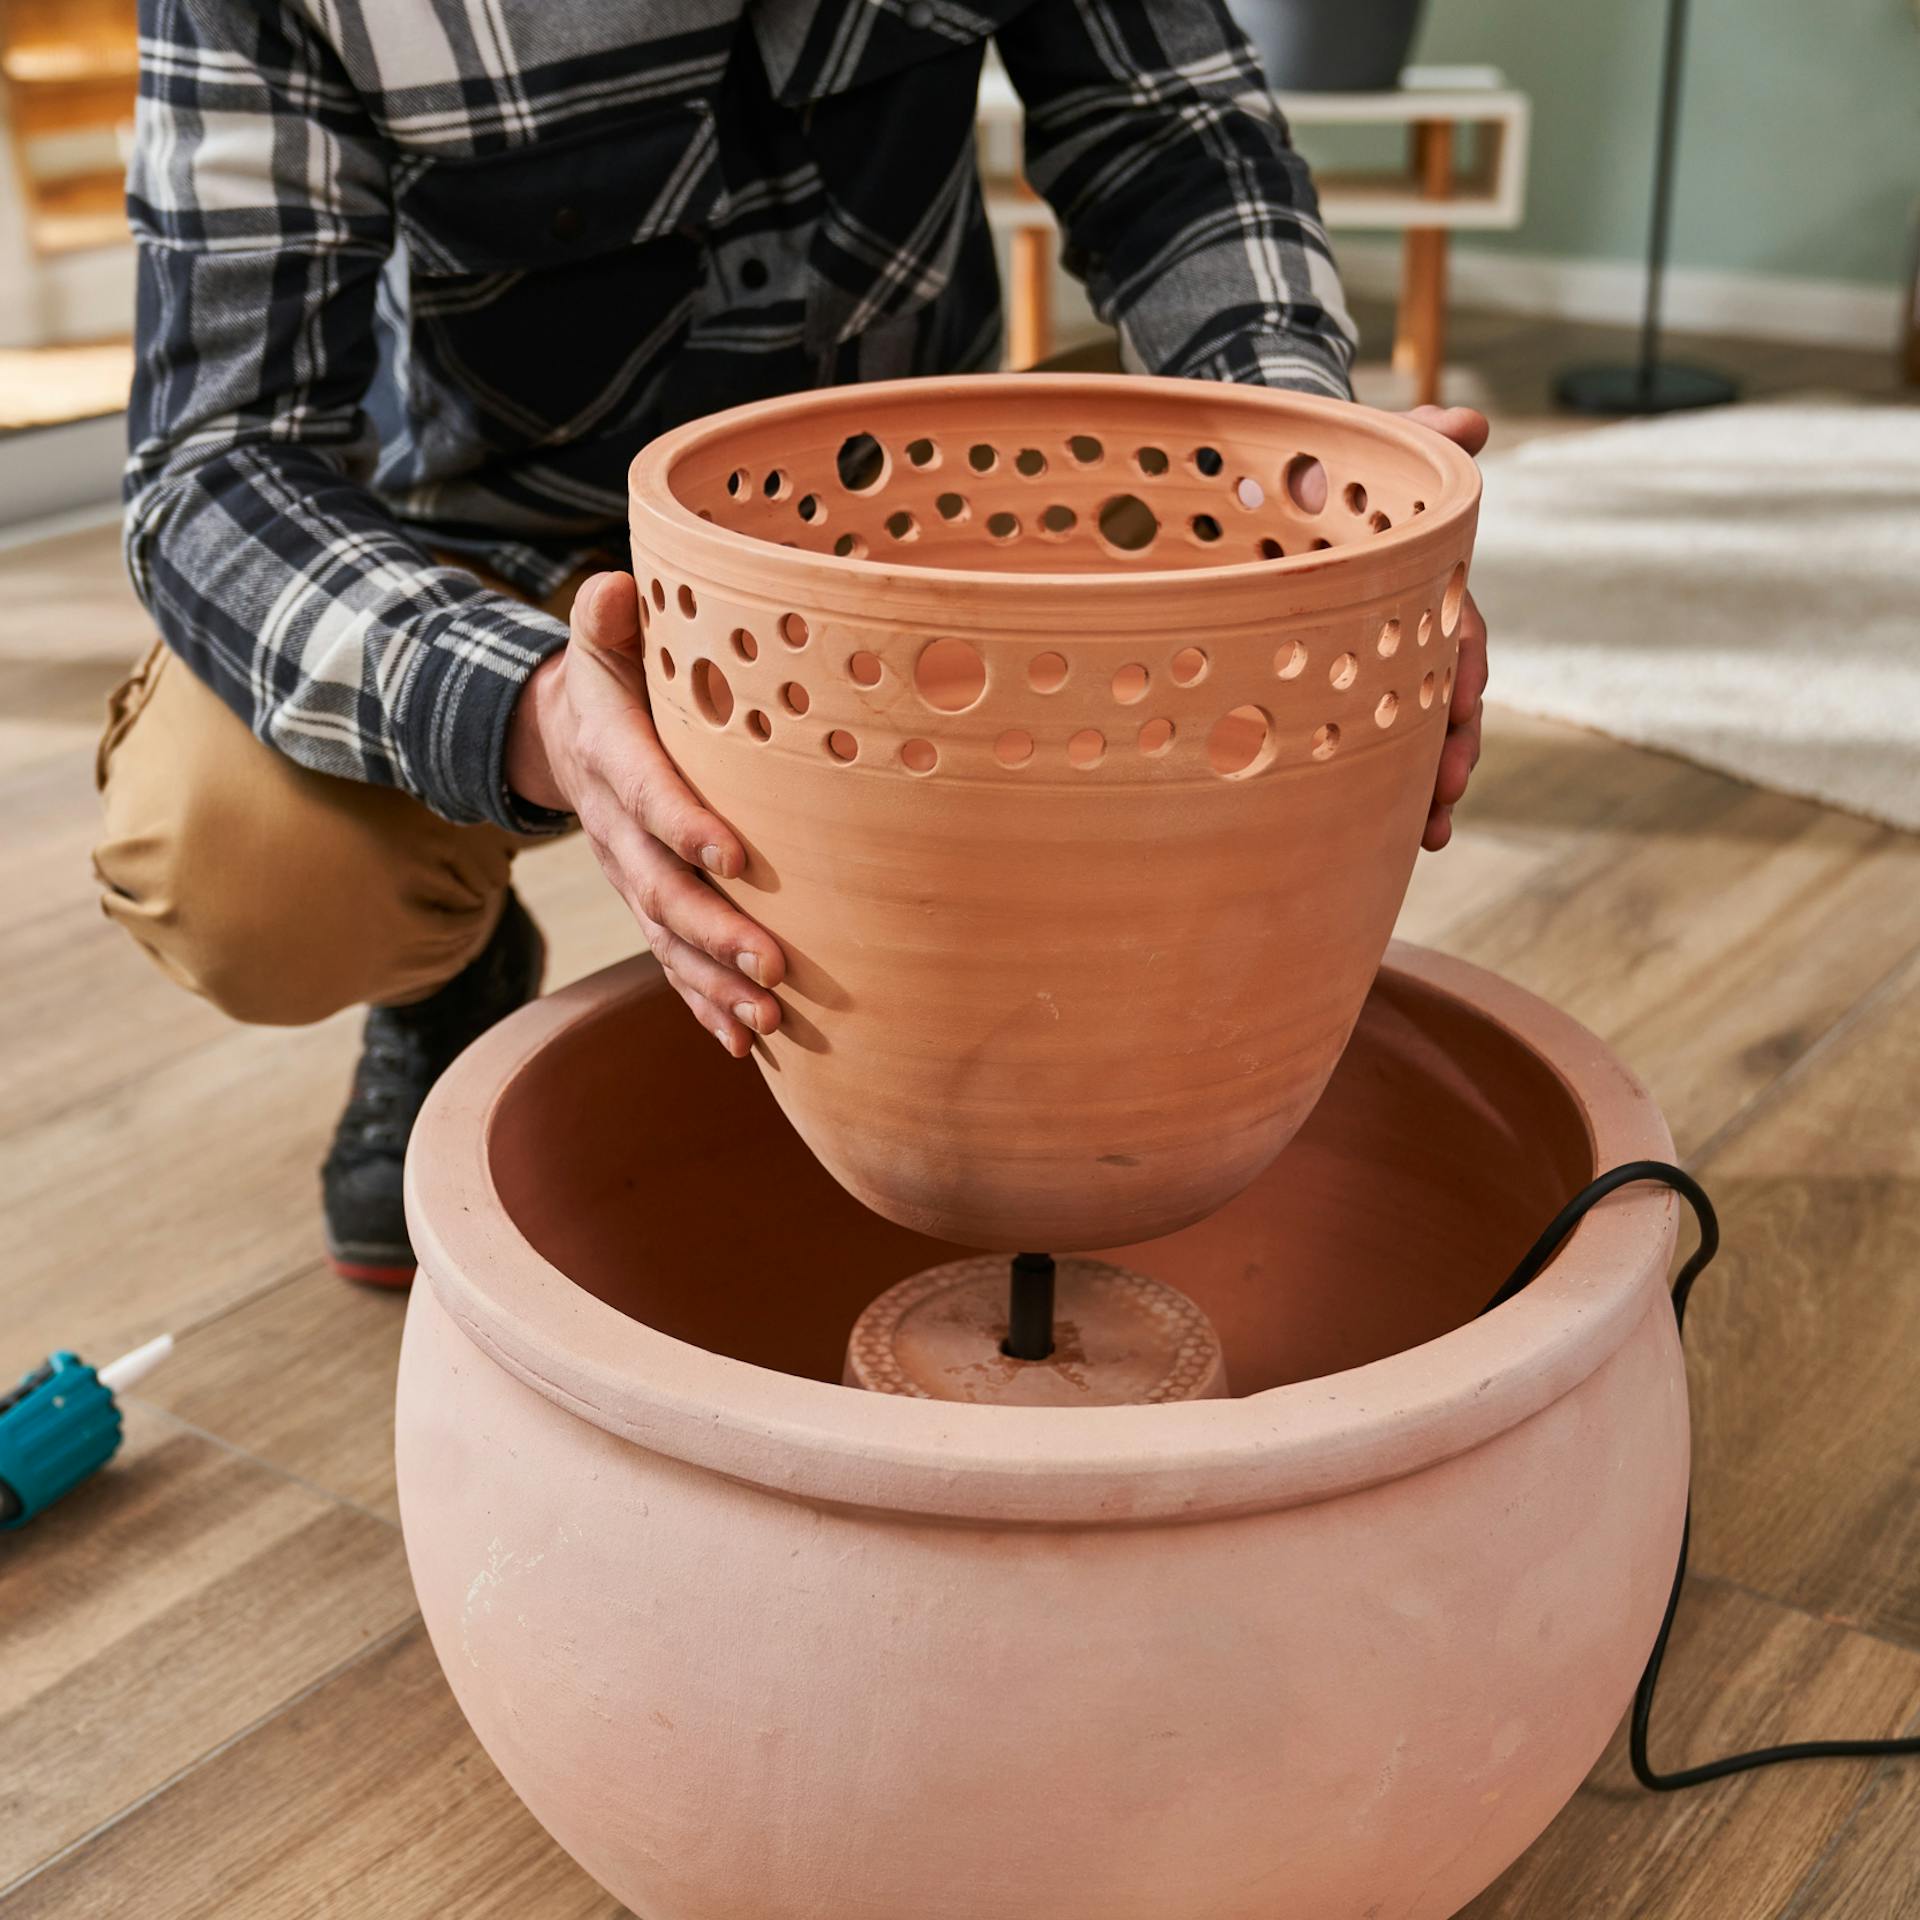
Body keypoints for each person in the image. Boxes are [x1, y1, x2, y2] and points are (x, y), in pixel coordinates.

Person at [97, 0, 1490, 1286]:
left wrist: (1316, 506)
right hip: (498, 569)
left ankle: (911, 985)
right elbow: (219, 458)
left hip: (905, 534)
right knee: (245, 869)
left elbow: (1167, 133)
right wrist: (530, 714)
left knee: (1158, 651)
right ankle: (453, 969)